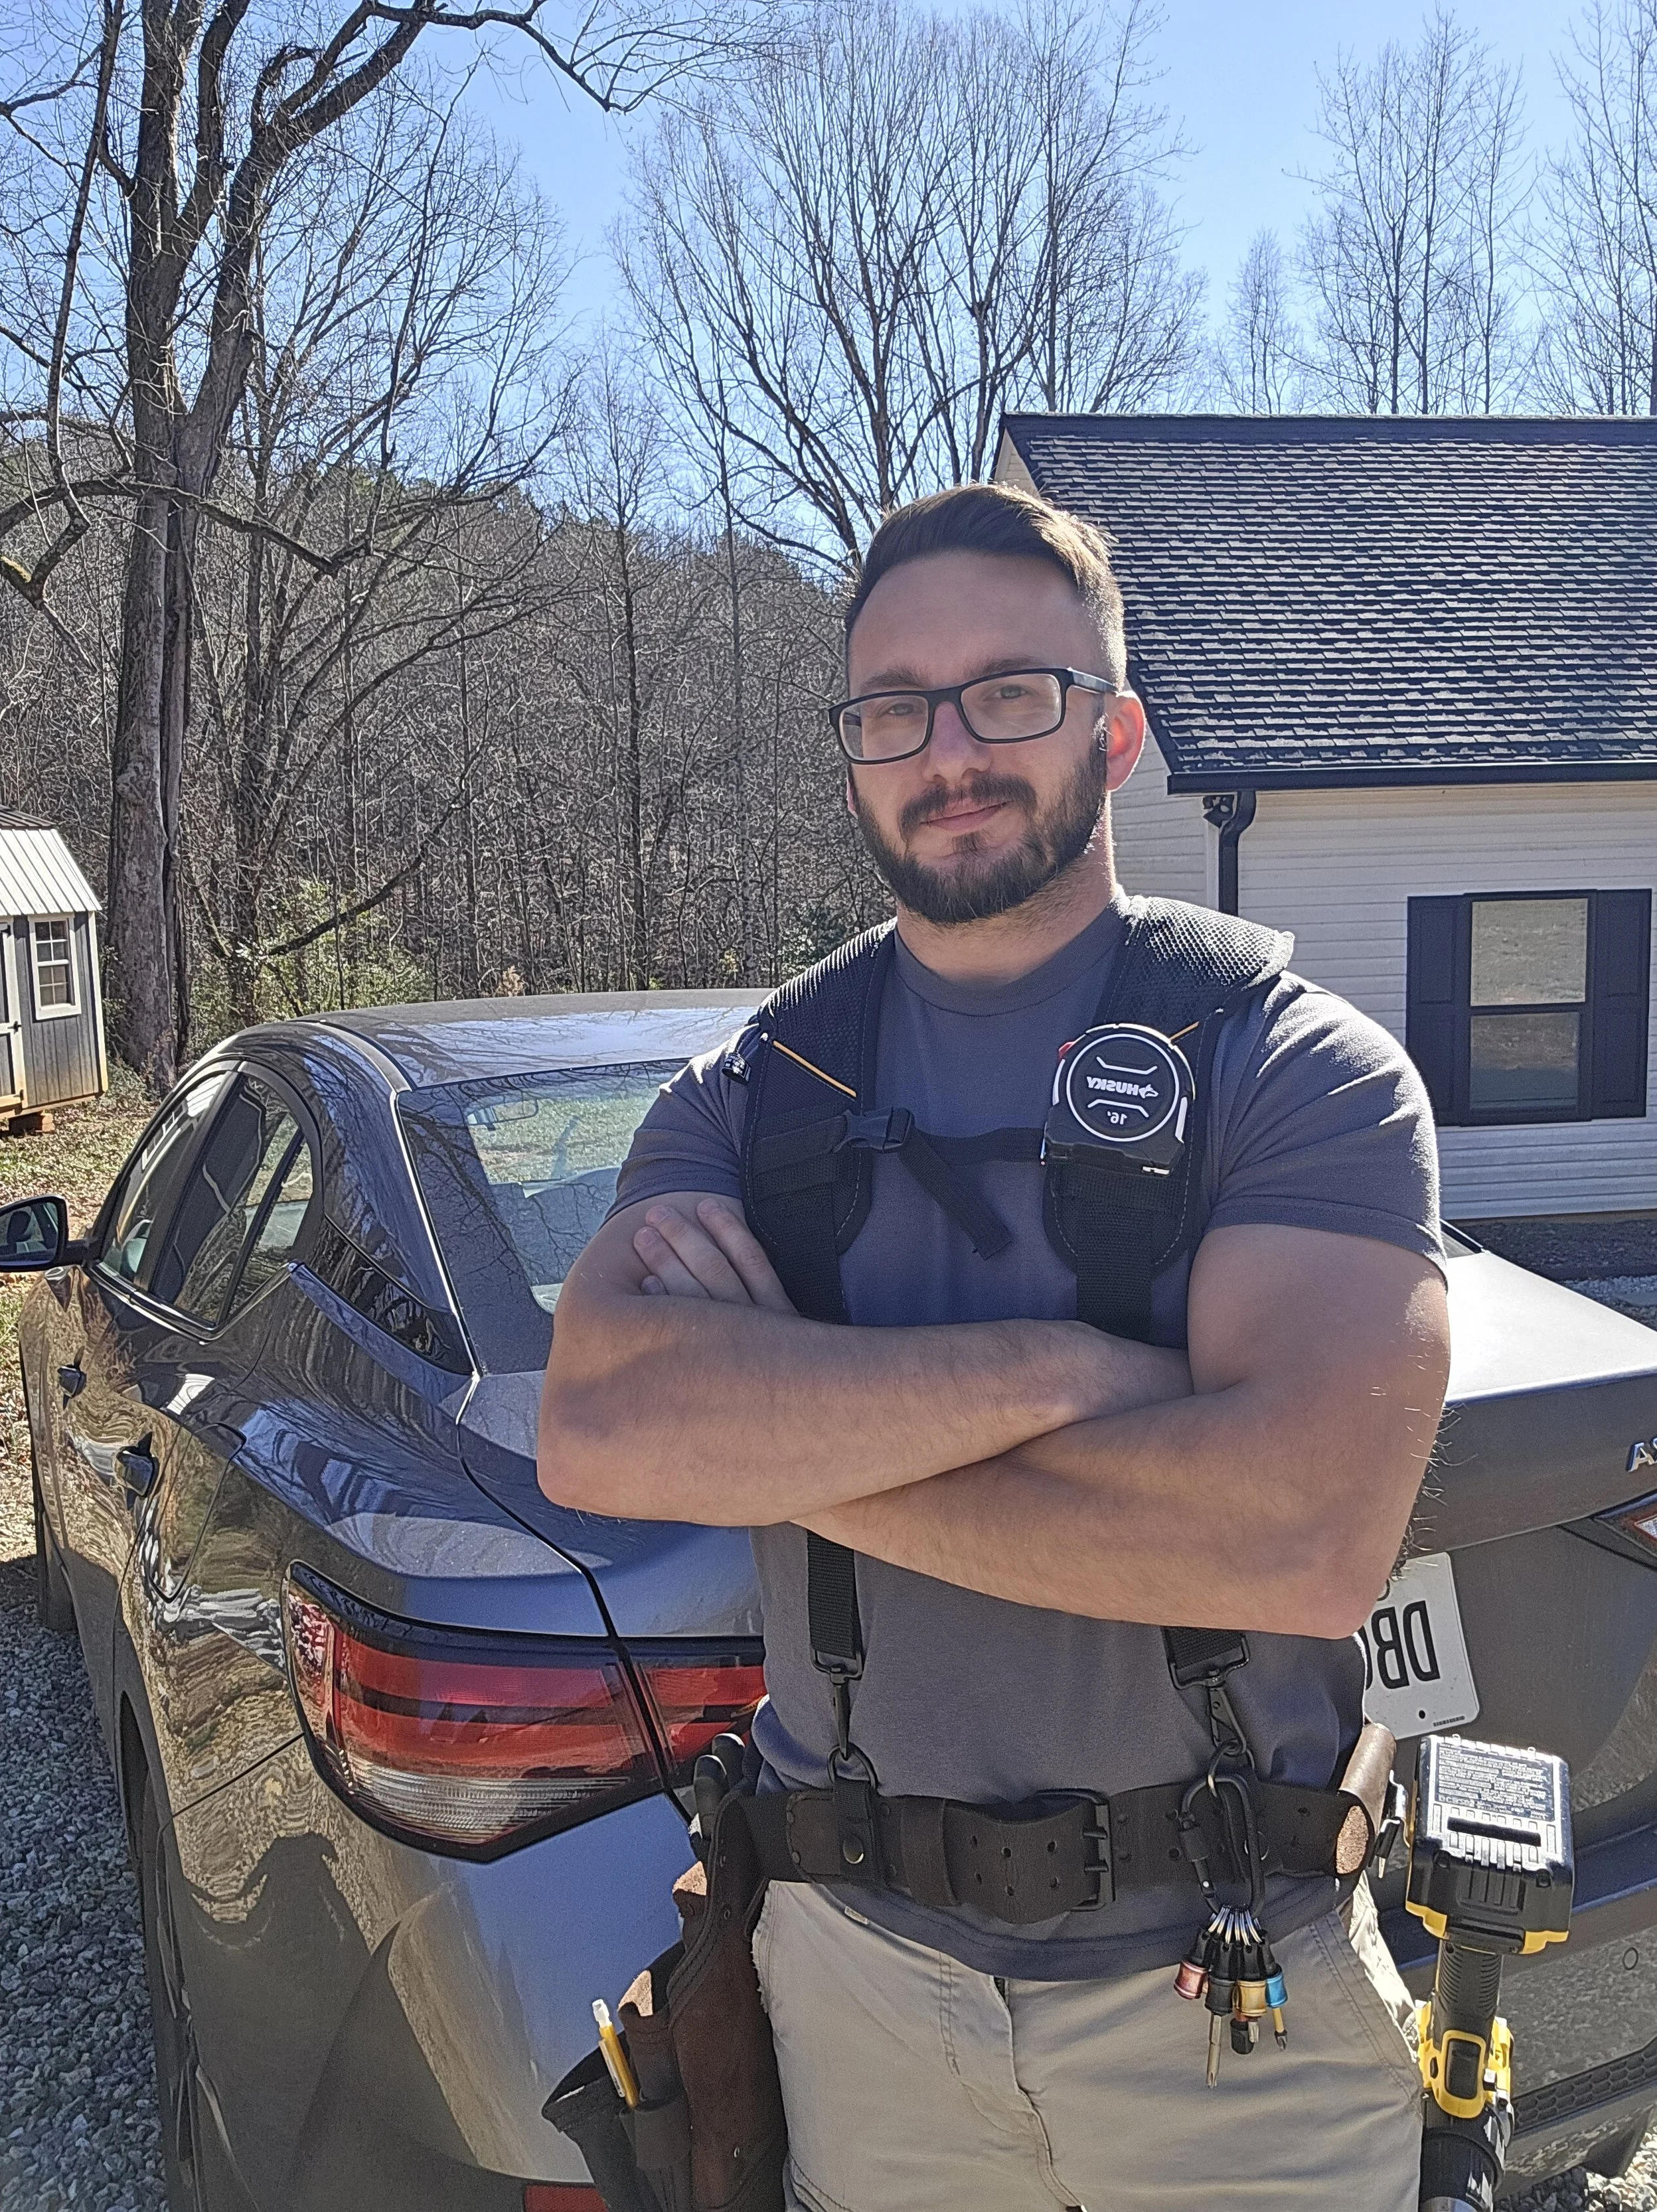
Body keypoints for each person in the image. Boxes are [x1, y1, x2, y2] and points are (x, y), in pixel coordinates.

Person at [538, 481, 1451, 2212]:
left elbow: (1299, 1534)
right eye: (894, 706)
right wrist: (1074, 1374)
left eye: (1008, 694)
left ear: (1110, 735)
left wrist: (787, 1429)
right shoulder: (761, 1095)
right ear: (851, 753)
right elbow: (596, 1430)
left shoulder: (1293, 1070)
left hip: (1227, 1998)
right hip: (855, 1991)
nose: (946, 746)